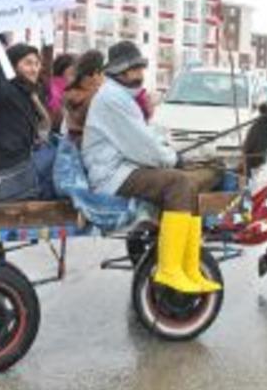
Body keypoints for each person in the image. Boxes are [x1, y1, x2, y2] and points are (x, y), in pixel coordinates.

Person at [82, 41, 221, 294]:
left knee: (187, 181)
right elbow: (141, 146)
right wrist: (173, 159)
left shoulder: (121, 96)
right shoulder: (112, 99)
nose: (141, 74)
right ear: (122, 72)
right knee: (178, 183)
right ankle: (169, 270)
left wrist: (171, 152)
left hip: (124, 166)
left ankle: (189, 268)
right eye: (136, 69)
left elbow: (147, 136)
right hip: (112, 174)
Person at [0, 31, 55, 202]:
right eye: (27, 63)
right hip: (5, 167)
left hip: (25, 165)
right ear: (13, 65)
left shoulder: (33, 93)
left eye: (36, 63)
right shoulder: (5, 89)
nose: (34, 68)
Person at [62, 50, 105, 147]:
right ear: (95, 73)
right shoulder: (94, 97)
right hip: (85, 149)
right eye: (103, 72)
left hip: (72, 146)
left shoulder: (70, 92)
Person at [48, 53, 76, 132]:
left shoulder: (52, 84)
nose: (74, 78)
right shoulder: (57, 89)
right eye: (72, 74)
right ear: (61, 71)